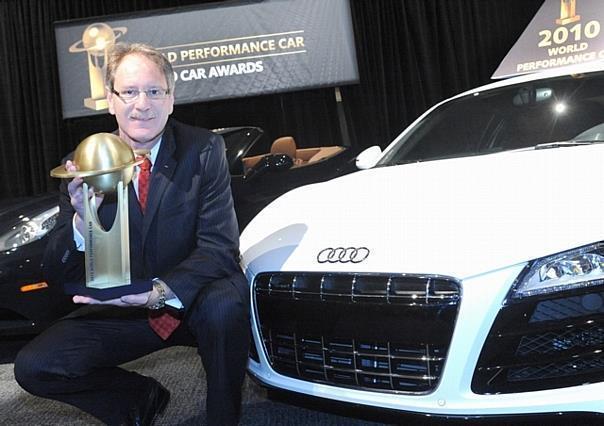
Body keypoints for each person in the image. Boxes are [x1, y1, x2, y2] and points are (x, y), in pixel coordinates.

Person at [14, 42, 250, 426]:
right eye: (130, 92)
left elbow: (220, 248)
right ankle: (140, 399)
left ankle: (223, 418)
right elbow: (57, 273)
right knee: (35, 366)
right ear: (110, 100)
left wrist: (160, 291)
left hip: (193, 298)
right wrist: (79, 220)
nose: (142, 104)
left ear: (171, 100)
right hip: (127, 309)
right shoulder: (86, 162)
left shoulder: (204, 149)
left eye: (154, 91)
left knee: (226, 303)